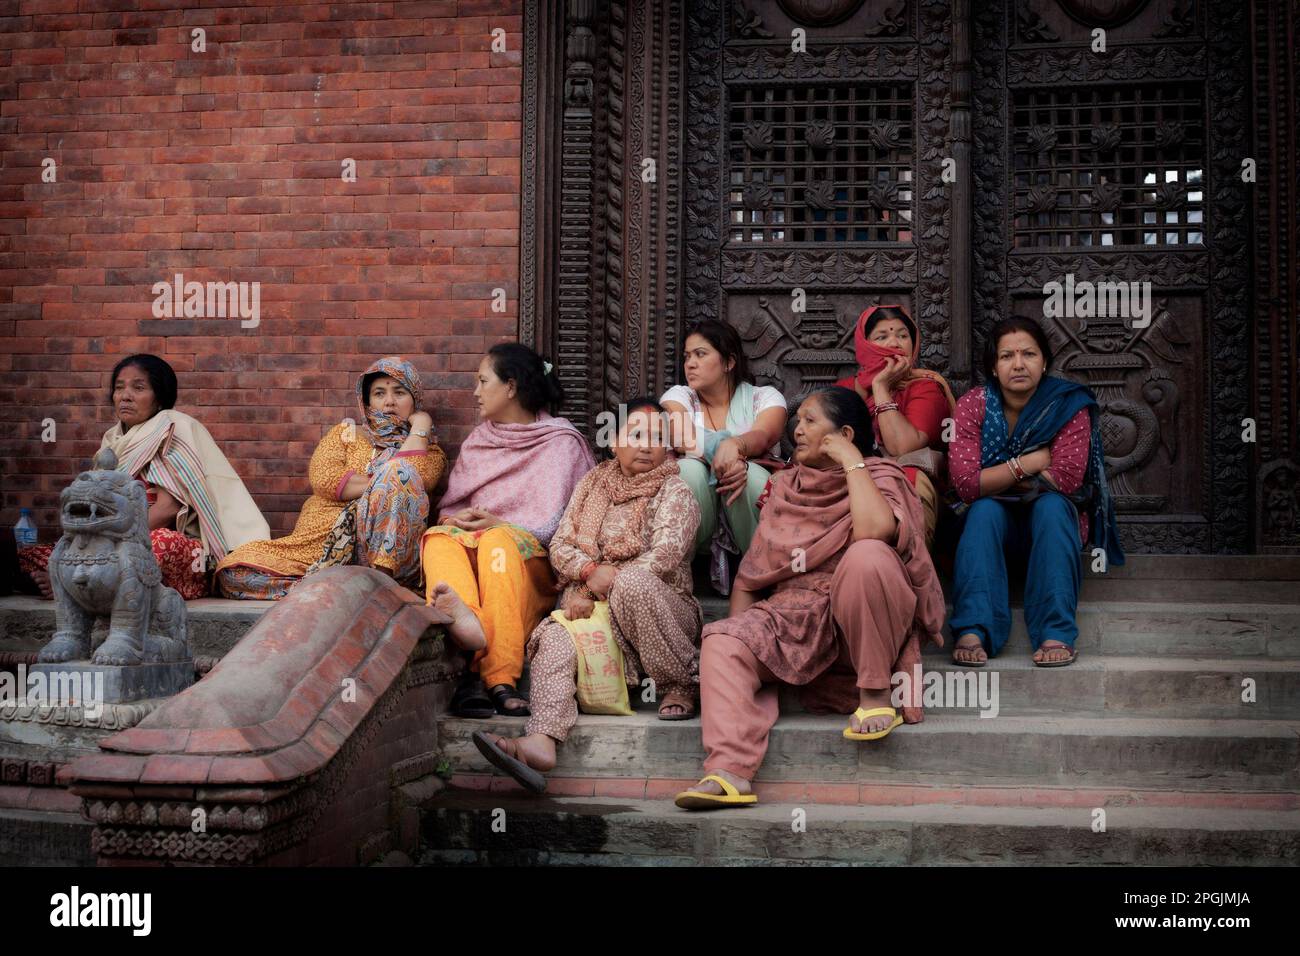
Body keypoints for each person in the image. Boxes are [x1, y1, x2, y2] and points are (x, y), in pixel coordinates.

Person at [674, 386, 945, 810]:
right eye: (798, 421)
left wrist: (852, 463)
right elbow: (751, 576)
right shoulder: (787, 486)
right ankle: (729, 771)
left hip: (861, 622)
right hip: (794, 619)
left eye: (811, 421)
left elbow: (875, 531)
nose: (797, 430)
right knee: (723, 639)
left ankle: (874, 695)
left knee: (866, 556)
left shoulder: (884, 477)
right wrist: (741, 638)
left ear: (846, 434)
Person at [468, 397, 702, 792]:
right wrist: (589, 572)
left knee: (632, 583)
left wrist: (599, 591)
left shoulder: (675, 491)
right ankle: (542, 739)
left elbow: (663, 556)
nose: (647, 445)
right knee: (555, 636)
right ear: (613, 441)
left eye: (657, 437)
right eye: (637, 434)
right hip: (589, 603)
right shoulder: (592, 483)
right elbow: (561, 545)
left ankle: (678, 684)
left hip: (661, 608)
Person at [422, 343, 596, 719]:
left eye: (483, 381)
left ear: (512, 387)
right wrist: (458, 520)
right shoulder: (479, 440)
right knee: (437, 538)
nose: (475, 392)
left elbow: (569, 526)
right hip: (479, 553)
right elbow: (451, 507)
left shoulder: (561, 444)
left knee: (497, 543)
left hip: (530, 565)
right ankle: (469, 622)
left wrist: (501, 525)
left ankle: (496, 675)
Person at [948, 316, 1124, 668]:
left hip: (1050, 526)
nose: (1018, 364)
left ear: (1044, 362)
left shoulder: (1067, 404)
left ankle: (1055, 630)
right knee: (982, 511)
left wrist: (994, 478)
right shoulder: (972, 405)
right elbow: (966, 485)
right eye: (1006, 356)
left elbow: (1067, 479)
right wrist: (1029, 463)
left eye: (1028, 354)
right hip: (995, 528)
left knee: (1053, 507)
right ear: (994, 368)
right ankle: (973, 628)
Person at [19, 354, 268, 600]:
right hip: (109, 539)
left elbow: (168, 509)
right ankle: (81, 578)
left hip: (167, 543)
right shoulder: (111, 442)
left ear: (159, 398)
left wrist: (107, 540)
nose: (125, 396)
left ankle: (74, 582)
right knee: (34, 553)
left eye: (138, 388)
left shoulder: (171, 428)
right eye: (119, 388)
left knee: (160, 544)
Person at [216, 357, 445, 598]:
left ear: (415, 400)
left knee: (400, 473)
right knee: (234, 571)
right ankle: (338, 589)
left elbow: (411, 476)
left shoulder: (431, 453)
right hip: (316, 547)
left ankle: (375, 582)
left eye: (399, 393)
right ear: (367, 402)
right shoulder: (346, 434)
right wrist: (383, 485)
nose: (389, 402)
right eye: (379, 394)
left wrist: (421, 425)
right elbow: (325, 478)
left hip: (381, 558)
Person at [660, 319, 788, 592]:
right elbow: (682, 436)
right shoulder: (680, 396)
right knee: (688, 471)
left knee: (752, 475)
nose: (690, 363)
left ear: (729, 362)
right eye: (687, 356)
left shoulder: (763, 398)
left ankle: (764, 577)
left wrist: (738, 446)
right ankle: (674, 576)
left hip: (745, 509)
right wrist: (727, 449)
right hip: (701, 520)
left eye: (700, 354)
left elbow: (765, 435)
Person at [835, 304, 957, 547]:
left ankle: (908, 570)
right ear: (864, 344)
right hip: (850, 480)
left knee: (909, 478)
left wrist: (881, 389)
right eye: (882, 336)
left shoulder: (924, 387)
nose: (895, 342)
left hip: (908, 482)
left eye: (903, 335)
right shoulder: (844, 390)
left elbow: (902, 447)